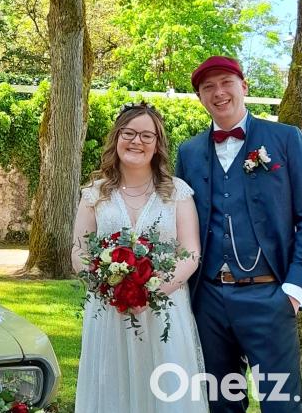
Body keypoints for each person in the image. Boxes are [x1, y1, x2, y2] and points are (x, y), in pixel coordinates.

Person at [175, 56, 302, 413]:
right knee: (221, 403)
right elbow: (180, 220)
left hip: (270, 293)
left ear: (244, 87)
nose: (218, 92)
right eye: (207, 87)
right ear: (199, 97)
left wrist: (294, 287)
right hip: (208, 298)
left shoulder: (285, 139)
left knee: (282, 403)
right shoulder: (189, 151)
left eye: (226, 82)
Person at [72, 103, 208, 412]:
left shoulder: (177, 193)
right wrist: (106, 286)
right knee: (111, 384)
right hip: (109, 311)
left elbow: (190, 253)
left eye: (147, 135)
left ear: (158, 144)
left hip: (163, 310)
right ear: (116, 138)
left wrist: (151, 291)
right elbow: (78, 250)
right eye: (129, 133)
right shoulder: (95, 193)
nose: (137, 141)